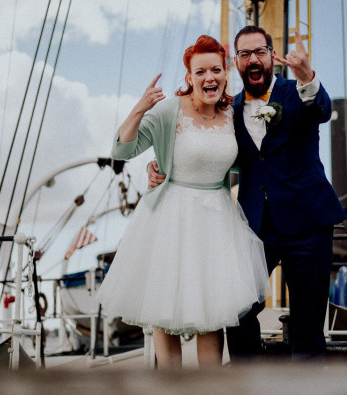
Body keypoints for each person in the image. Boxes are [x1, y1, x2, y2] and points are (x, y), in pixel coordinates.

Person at [150, 25, 346, 361]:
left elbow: (321, 111)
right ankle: (248, 383)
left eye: (259, 52)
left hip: (308, 223)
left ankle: (307, 390)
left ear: (272, 55)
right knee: (236, 310)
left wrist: (306, 76)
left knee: (307, 322)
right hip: (254, 227)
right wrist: (158, 165)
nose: (253, 59)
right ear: (236, 63)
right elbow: (207, 151)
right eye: (244, 54)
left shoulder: (297, 92)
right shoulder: (229, 110)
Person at [96, 34, 268, 369]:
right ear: (189, 77)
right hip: (170, 217)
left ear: (225, 72)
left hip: (217, 219)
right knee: (164, 307)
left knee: (212, 312)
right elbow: (122, 149)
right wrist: (140, 109)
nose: (209, 77)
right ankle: (171, 387)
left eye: (215, 70)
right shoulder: (168, 111)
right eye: (200, 71)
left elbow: (246, 161)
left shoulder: (233, 114)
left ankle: (208, 391)